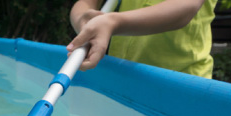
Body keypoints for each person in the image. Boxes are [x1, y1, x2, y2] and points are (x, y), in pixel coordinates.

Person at [68, 0, 218, 78]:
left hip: (182, 82)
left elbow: (186, 6)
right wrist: (84, 21)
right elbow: (85, 3)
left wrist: (114, 22)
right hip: (123, 75)